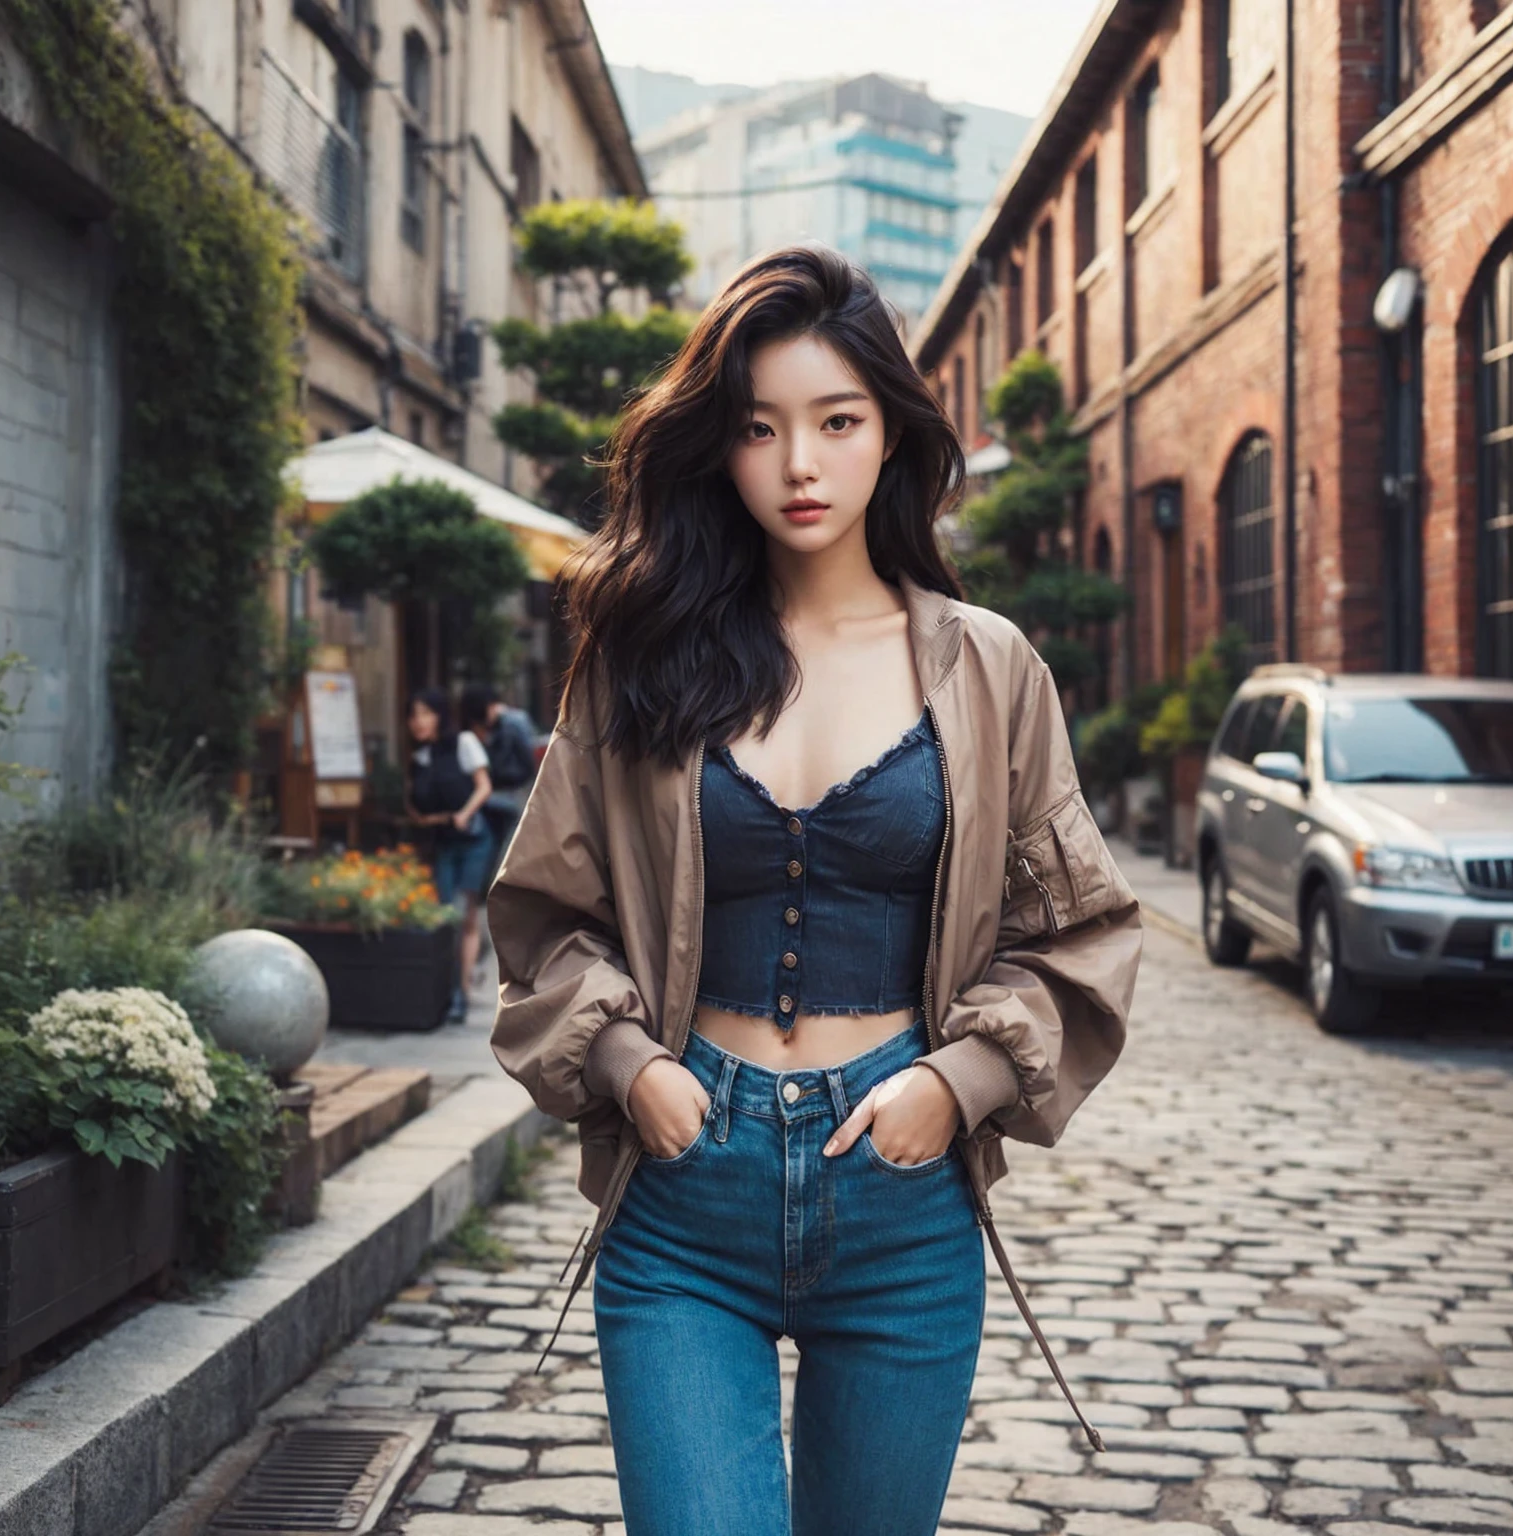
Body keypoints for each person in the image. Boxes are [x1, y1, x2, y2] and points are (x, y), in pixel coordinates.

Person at [487, 246, 1143, 1536]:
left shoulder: (989, 669)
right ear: (716, 449)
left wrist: (952, 1087)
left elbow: (1080, 928)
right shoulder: (638, 656)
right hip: (684, 1197)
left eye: (837, 422)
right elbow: (545, 915)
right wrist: (630, 1066)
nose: (800, 465)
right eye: (759, 428)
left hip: (903, 1199)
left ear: (891, 436)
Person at [405, 686, 493, 1023]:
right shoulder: (420, 758)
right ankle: (445, 988)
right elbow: (414, 803)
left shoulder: (464, 743)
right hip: (443, 841)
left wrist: (464, 813)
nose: (418, 721)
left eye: (425, 713)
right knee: (444, 914)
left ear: (440, 716)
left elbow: (484, 786)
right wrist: (424, 818)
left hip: (472, 840)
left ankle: (462, 992)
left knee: (464, 912)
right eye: (413, 715)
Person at [462, 681, 537, 863]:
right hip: (495, 795)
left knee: (507, 848)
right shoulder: (482, 726)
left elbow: (529, 760)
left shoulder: (513, 723)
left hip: (515, 793)